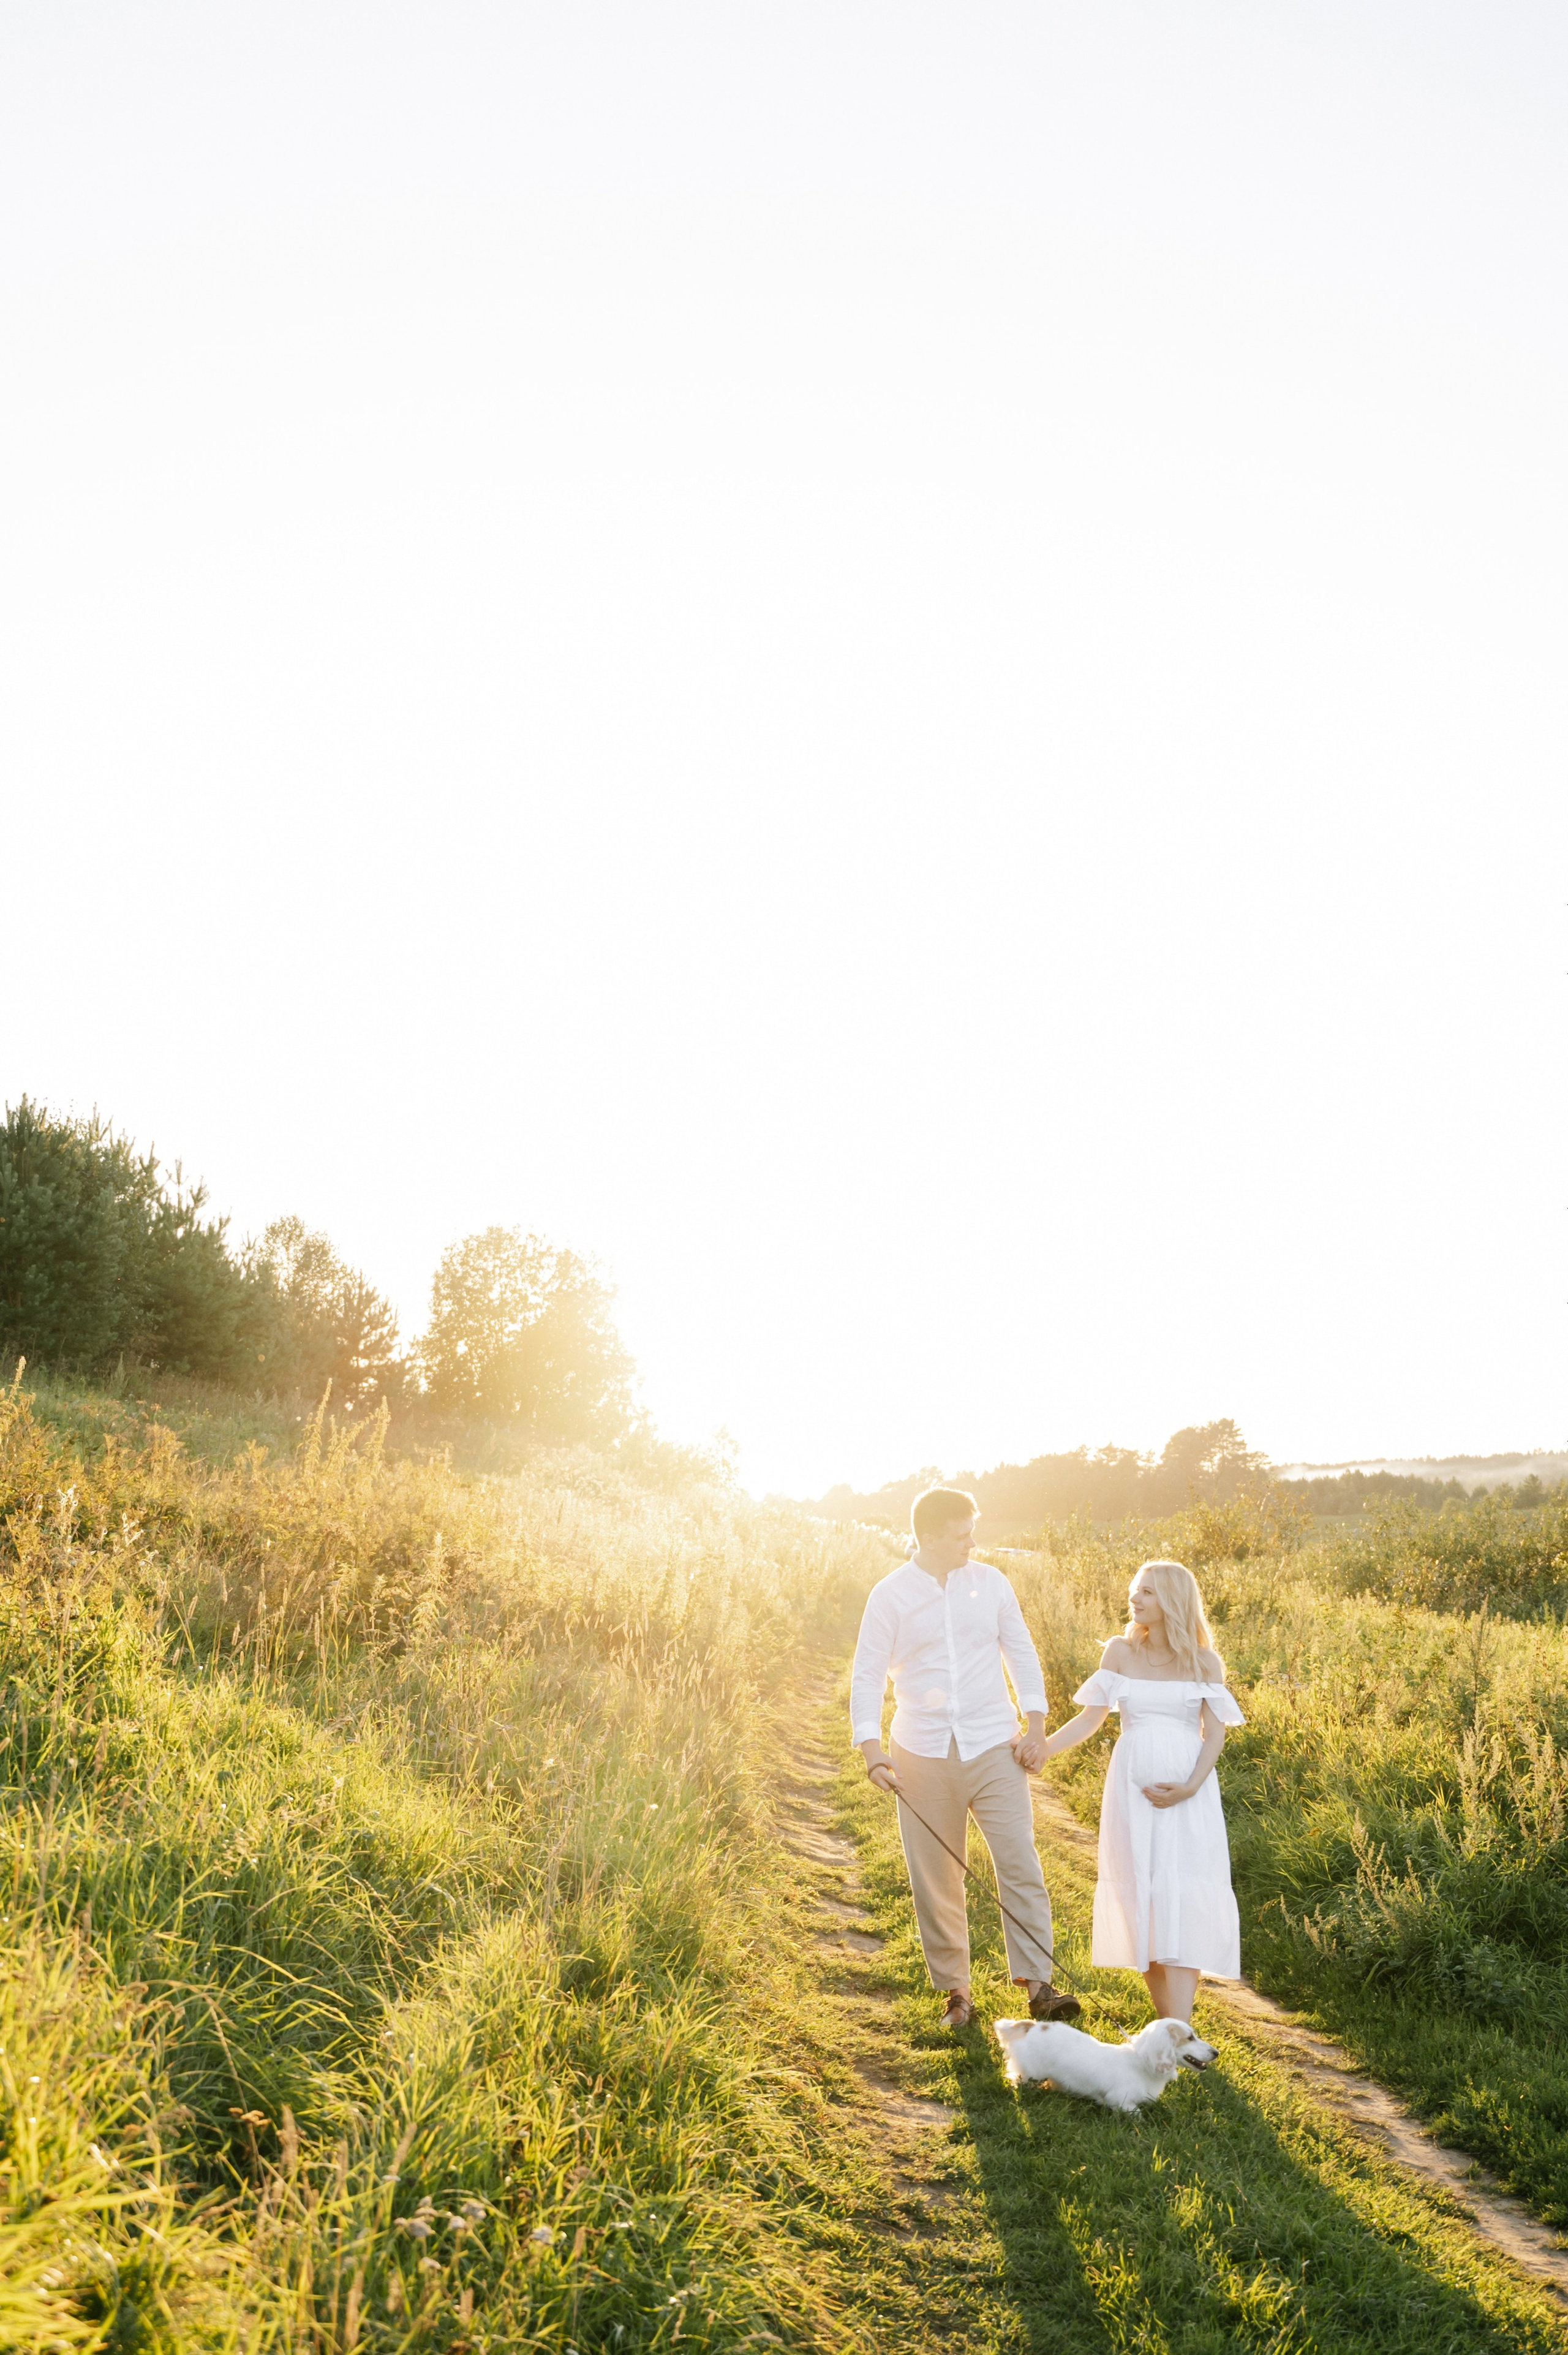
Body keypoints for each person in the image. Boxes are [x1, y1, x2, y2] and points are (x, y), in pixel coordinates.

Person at [851, 1485, 1080, 2032]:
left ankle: (1040, 1986)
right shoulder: (890, 1596)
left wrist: (1036, 1725)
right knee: (937, 1876)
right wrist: (871, 1749)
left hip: (994, 1745)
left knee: (1019, 1861)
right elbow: (868, 1672)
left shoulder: (992, 1582)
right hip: (921, 1751)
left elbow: (1021, 1651)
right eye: (962, 1535)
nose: (972, 1543)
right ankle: (958, 1994)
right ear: (929, 1536)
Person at [1039, 1557, 1245, 2025]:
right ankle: (1171, 2027)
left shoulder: (1204, 1662)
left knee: (1183, 1898)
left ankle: (1181, 2027)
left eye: (1147, 1591)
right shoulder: (1120, 1652)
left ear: (1173, 1599)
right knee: (1143, 1898)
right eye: (1136, 1588)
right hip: (1131, 1795)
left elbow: (1214, 1735)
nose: (1135, 1597)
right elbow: (1091, 1719)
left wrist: (1189, 1787)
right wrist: (1042, 1750)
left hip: (1189, 1797)